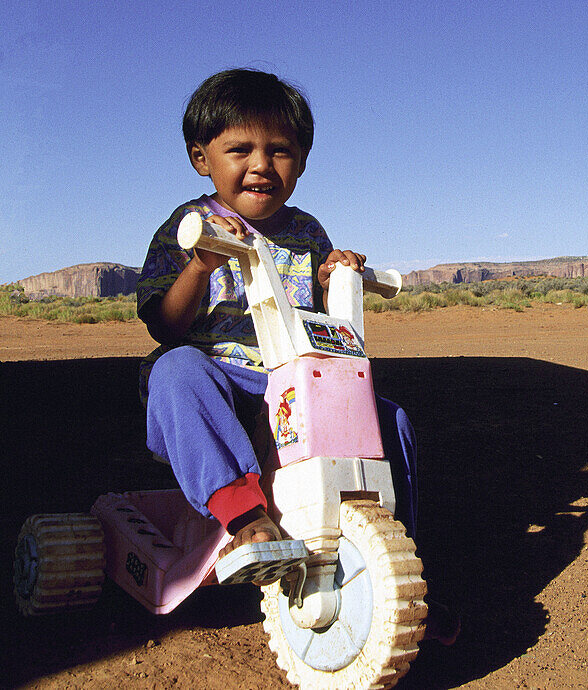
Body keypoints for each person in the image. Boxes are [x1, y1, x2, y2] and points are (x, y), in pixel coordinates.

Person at [136, 68, 457, 643]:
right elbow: (162, 322)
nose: (261, 164)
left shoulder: (307, 232)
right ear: (200, 157)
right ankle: (245, 517)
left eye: (279, 151)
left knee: (389, 417)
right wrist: (200, 265)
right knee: (176, 368)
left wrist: (337, 275)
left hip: (290, 381)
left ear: (302, 163)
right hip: (220, 384)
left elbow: (324, 315)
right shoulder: (190, 225)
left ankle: (396, 559)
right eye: (240, 149)